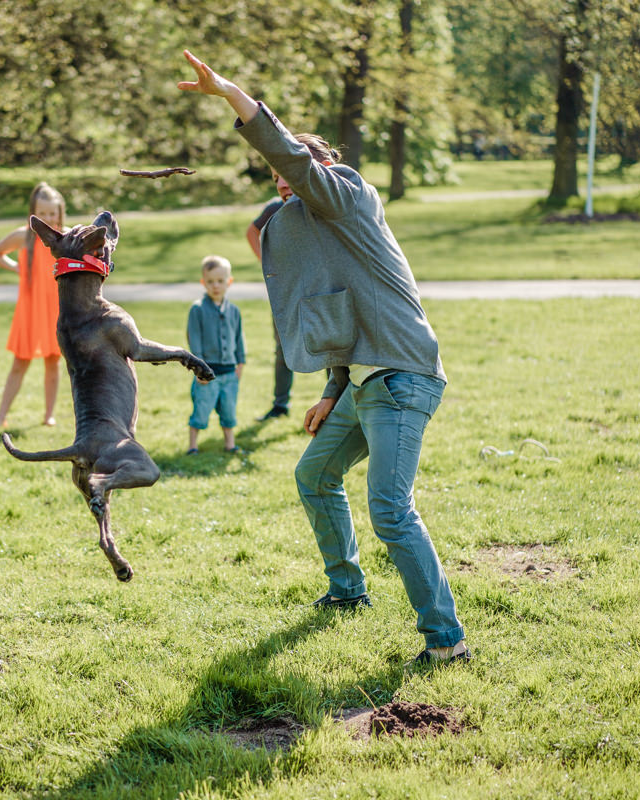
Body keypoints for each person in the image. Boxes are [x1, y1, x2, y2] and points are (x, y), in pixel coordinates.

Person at [179, 50, 468, 665]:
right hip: (365, 386)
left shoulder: (350, 197)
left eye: (292, 174)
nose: (285, 186)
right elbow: (341, 317)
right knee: (314, 476)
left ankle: (447, 641)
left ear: (325, 168)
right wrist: (333, 391)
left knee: (390, 510)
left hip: (401, 378)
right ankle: (347, 591)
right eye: (277, 183)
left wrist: (232, 94)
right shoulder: (323, 237)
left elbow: (294, 159)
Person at [0, 182, 66, 430]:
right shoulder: (24, 236)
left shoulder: (66, 236)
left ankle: (49, 415)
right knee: (19, 363)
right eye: (42, 213)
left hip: (56, 309)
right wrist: (17, 268)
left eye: (52, 213)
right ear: (33, 214)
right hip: (30, 310)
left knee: (53, 361)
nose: (48, 218)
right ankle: (1, 416)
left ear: (60, 212)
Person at [186, 255, 246, 454]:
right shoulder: (198, 309)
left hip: (229, 373)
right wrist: (199, 369)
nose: (216, 286)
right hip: (207, 374)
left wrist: (241, 364)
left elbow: (239, 338)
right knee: (201, 409)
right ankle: (192, 445)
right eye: (210, 281)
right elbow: (195, 341)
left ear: (229, 282)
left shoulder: (234, 311)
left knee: (229, 410)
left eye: (220, 281)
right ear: (203, 282)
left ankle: (230, 444)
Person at [246, 196, 293, 421]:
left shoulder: (318, 201)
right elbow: (252, 231)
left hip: (316, 291)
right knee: (283, 350)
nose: (284, 185)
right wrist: (267, 262)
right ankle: (280, 405)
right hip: (283, 293)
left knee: (329, 352)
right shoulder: (276, 208)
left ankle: (334, 407)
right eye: (277, 180)